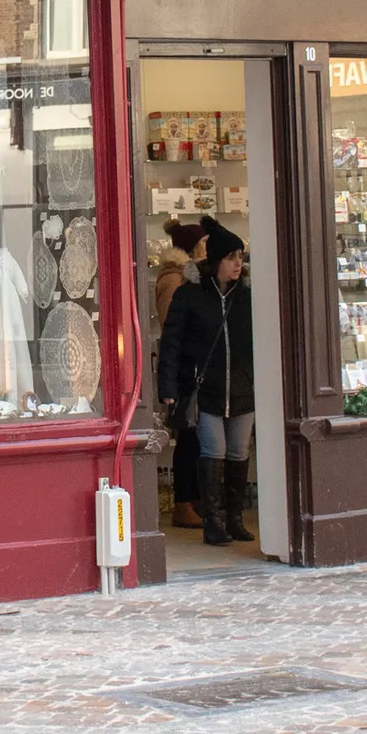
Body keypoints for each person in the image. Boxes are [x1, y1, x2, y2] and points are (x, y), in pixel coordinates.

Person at [157, 218, 254, 546]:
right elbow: (171, 343)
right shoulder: (190, 295)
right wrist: (168, 388)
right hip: (205, 390)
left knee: (239, 452)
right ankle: (213, 521)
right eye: (231, 257)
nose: (238, 264)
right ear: (215, 261)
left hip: (242, 388)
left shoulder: (247, 296)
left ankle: (235, 518)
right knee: (214, 449)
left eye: (241, 256)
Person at [151, 220, 208, 529]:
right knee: (188, 437)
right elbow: (176, 329)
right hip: (186, 370)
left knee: (196, 437)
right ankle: (184, 504)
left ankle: (194, 501)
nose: (207, 247)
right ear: (191, 247)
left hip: (191, 368)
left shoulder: (185, 277)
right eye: (203, 242)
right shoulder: (176, 281)